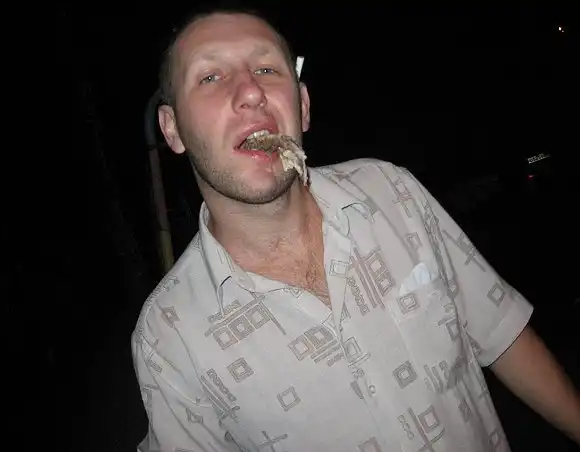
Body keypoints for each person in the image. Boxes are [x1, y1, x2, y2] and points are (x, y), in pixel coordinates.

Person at [132, 7, 580, 452]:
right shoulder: (167, 338)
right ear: (172, 129)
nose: (251, 91)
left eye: (267, 69)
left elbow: (501, 331)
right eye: (210, 77)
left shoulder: (392, 191)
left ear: (302, 106)